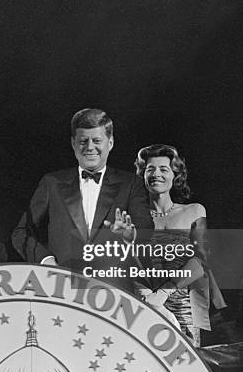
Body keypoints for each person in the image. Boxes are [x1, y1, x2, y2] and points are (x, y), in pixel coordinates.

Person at [11, 108, 153, 291]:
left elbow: (146, 231)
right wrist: (45, 260)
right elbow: (20, 233)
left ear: (110, 142)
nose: (90, 147)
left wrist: (130, 236)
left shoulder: (131, 183)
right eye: (83, 141)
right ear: (73, 143)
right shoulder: (52, 182)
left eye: (97, 141)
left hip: (115, 294)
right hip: (61, 292)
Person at [134, 144, 226, 346]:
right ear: (142, 174)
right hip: (144, 302)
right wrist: (146, 296)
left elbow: (201, 259)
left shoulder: (194, 211)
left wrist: (165, 292)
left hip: (183, 304)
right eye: (150, 169)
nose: (156, 174)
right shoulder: (133, 217)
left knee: (185, 365)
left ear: (175, 175)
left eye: (163, 169)